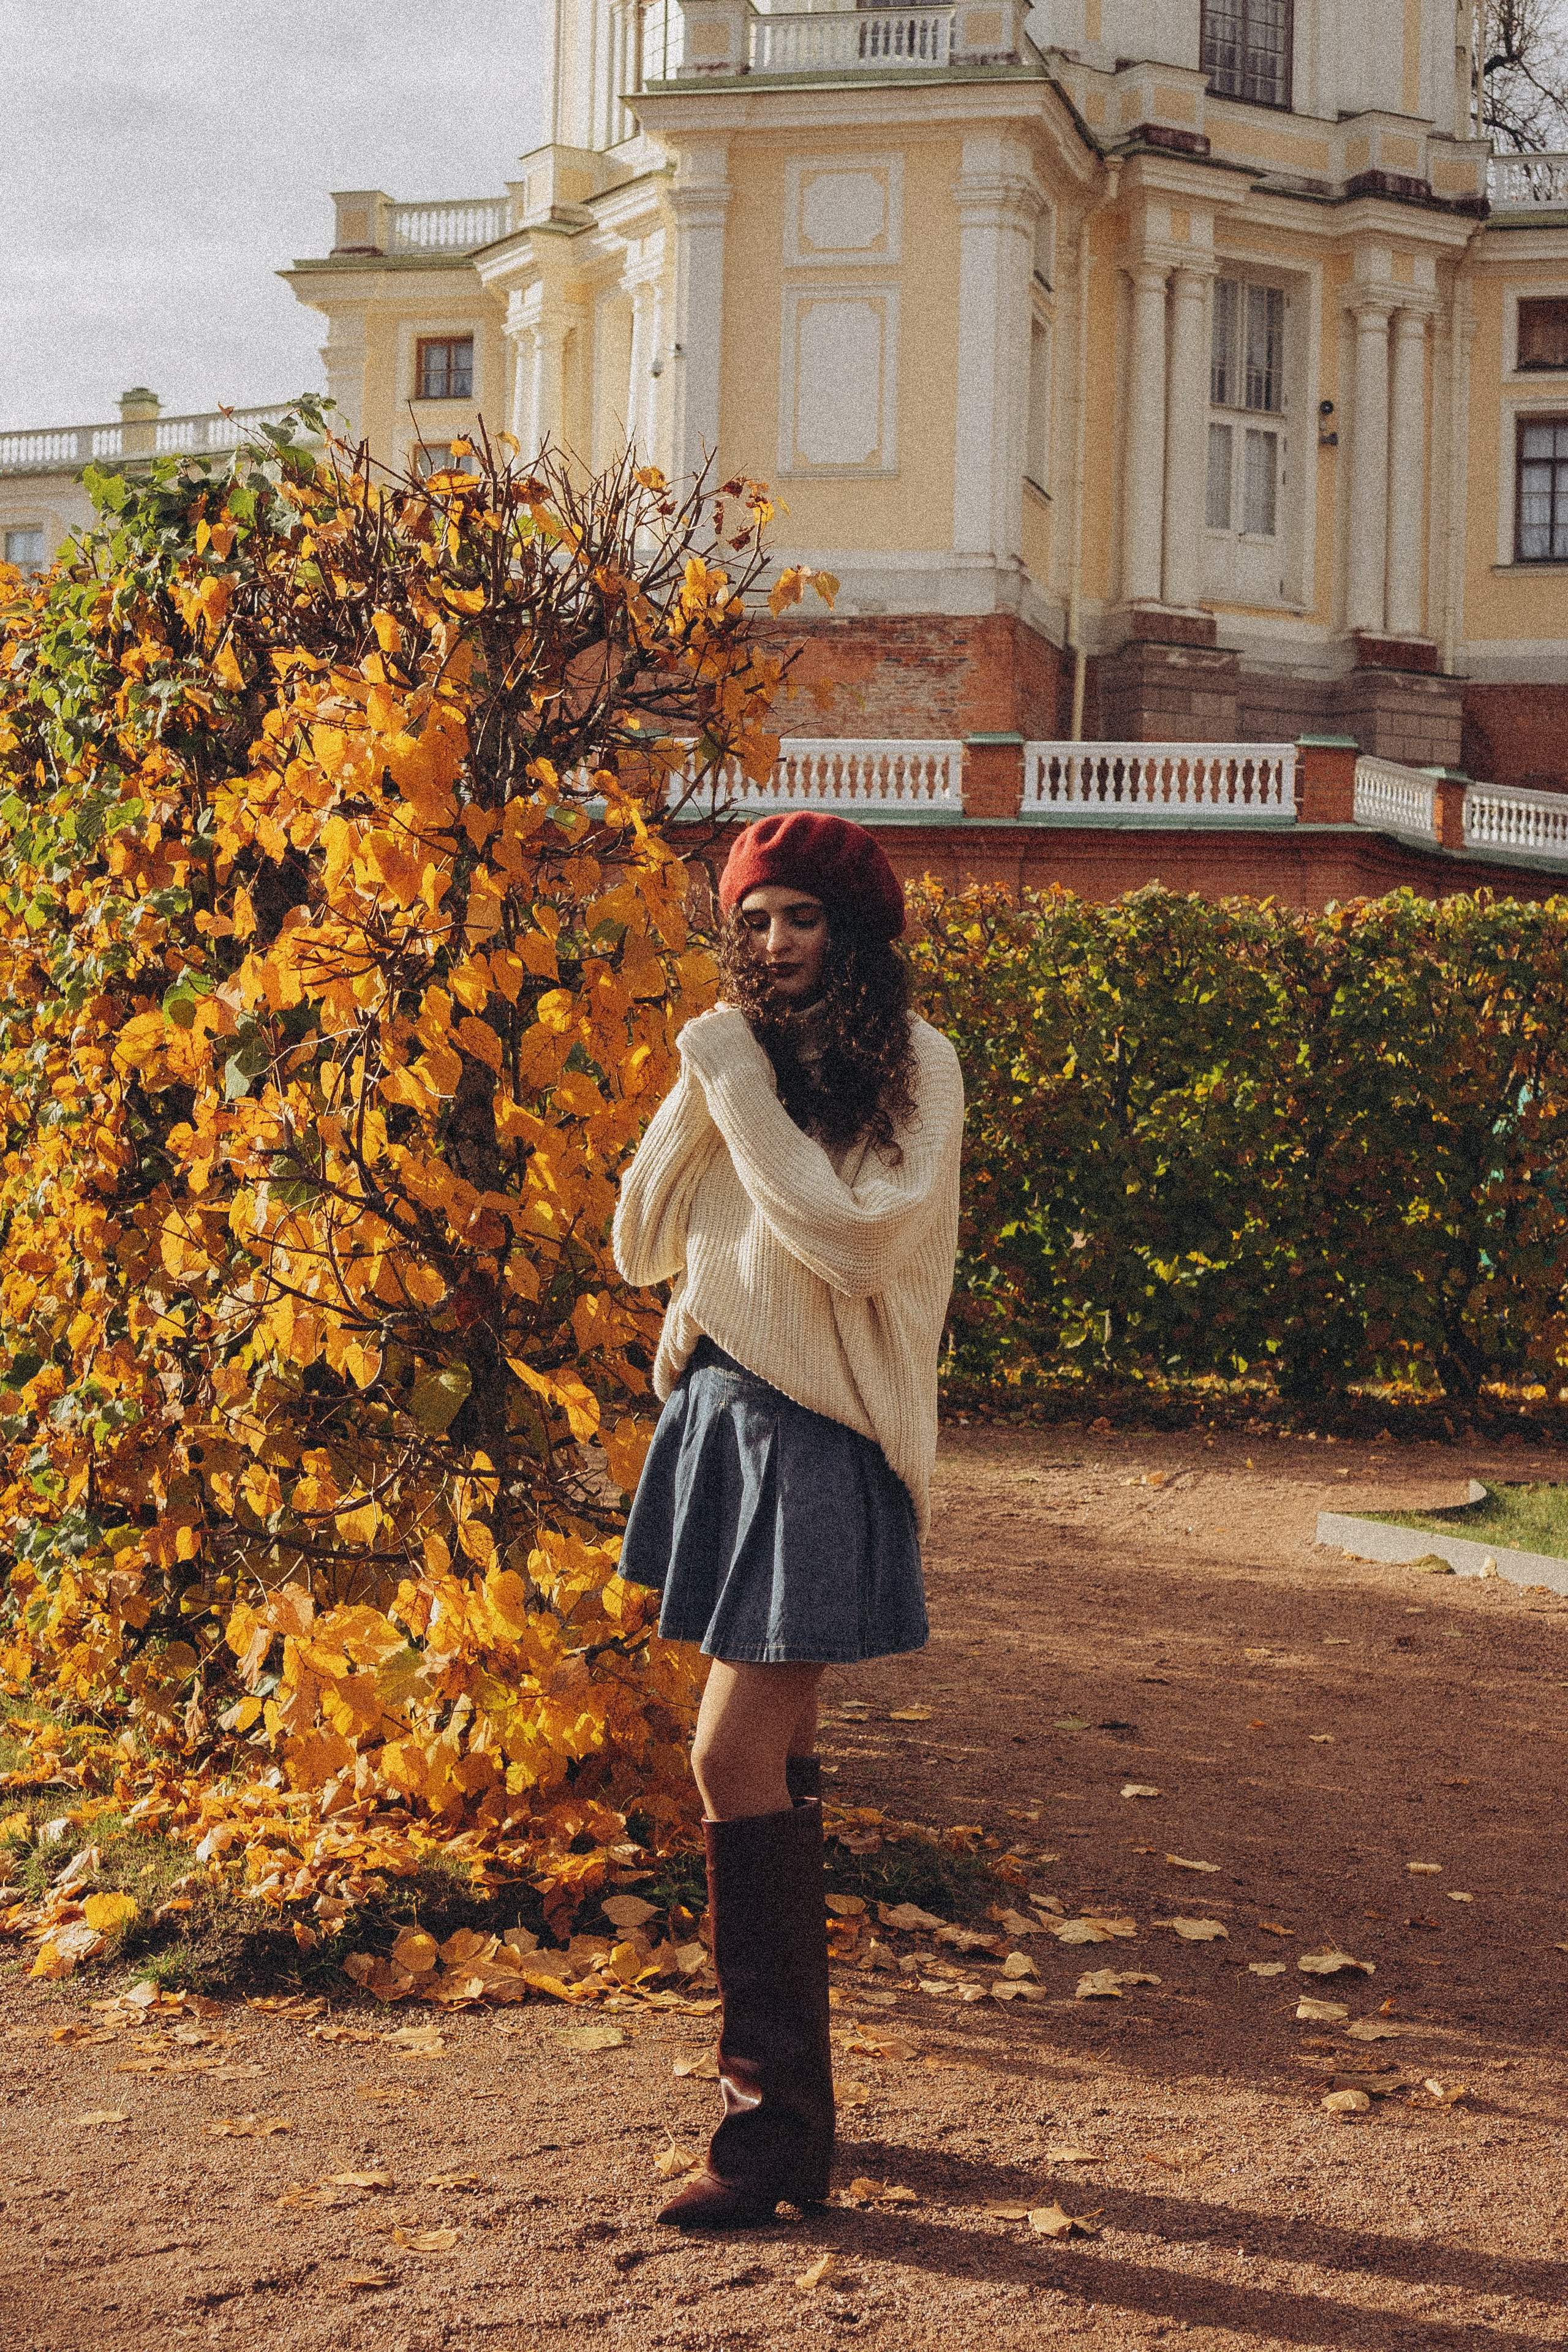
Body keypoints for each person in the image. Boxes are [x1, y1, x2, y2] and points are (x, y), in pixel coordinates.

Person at [611, 809, 964, 2230]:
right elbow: (642, 1241)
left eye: (799, 918)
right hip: (723, 1423)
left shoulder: (917, 1065)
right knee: (780, 1754)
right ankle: (797, 2121)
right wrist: (712, 1085)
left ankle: (768, 2135)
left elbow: (853, 1237)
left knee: (727, 1753)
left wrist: (736, 1088)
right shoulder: (734, 1060)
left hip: (823, 1440)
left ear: (853, 929)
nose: (772, 945)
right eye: (751, 921)